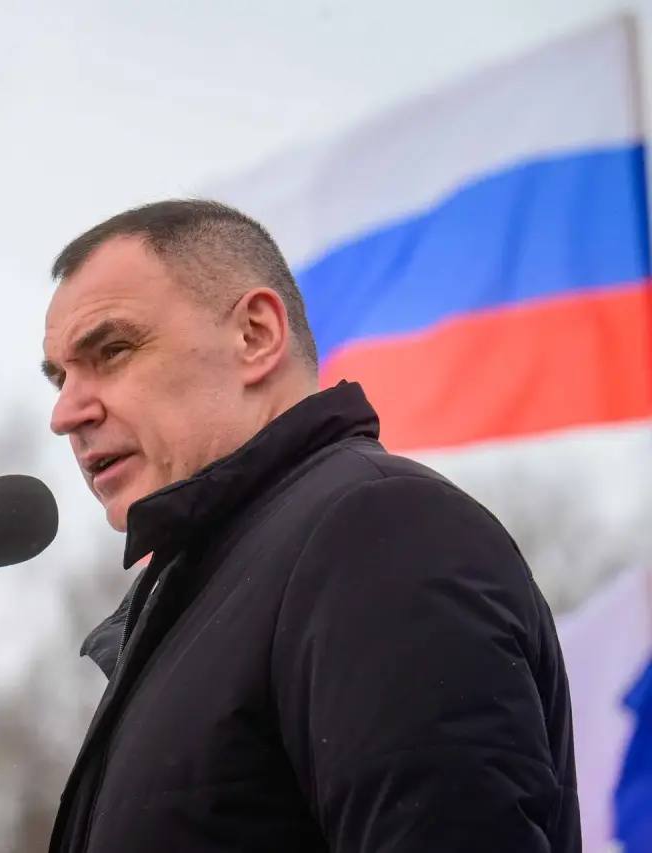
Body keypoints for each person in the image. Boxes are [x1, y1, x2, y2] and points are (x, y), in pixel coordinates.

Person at [40, 199, 579, 852]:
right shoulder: (206, 593)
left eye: (113, 350)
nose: (66, 413)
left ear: (255, 335)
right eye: (59, 378)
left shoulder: (379, 533)